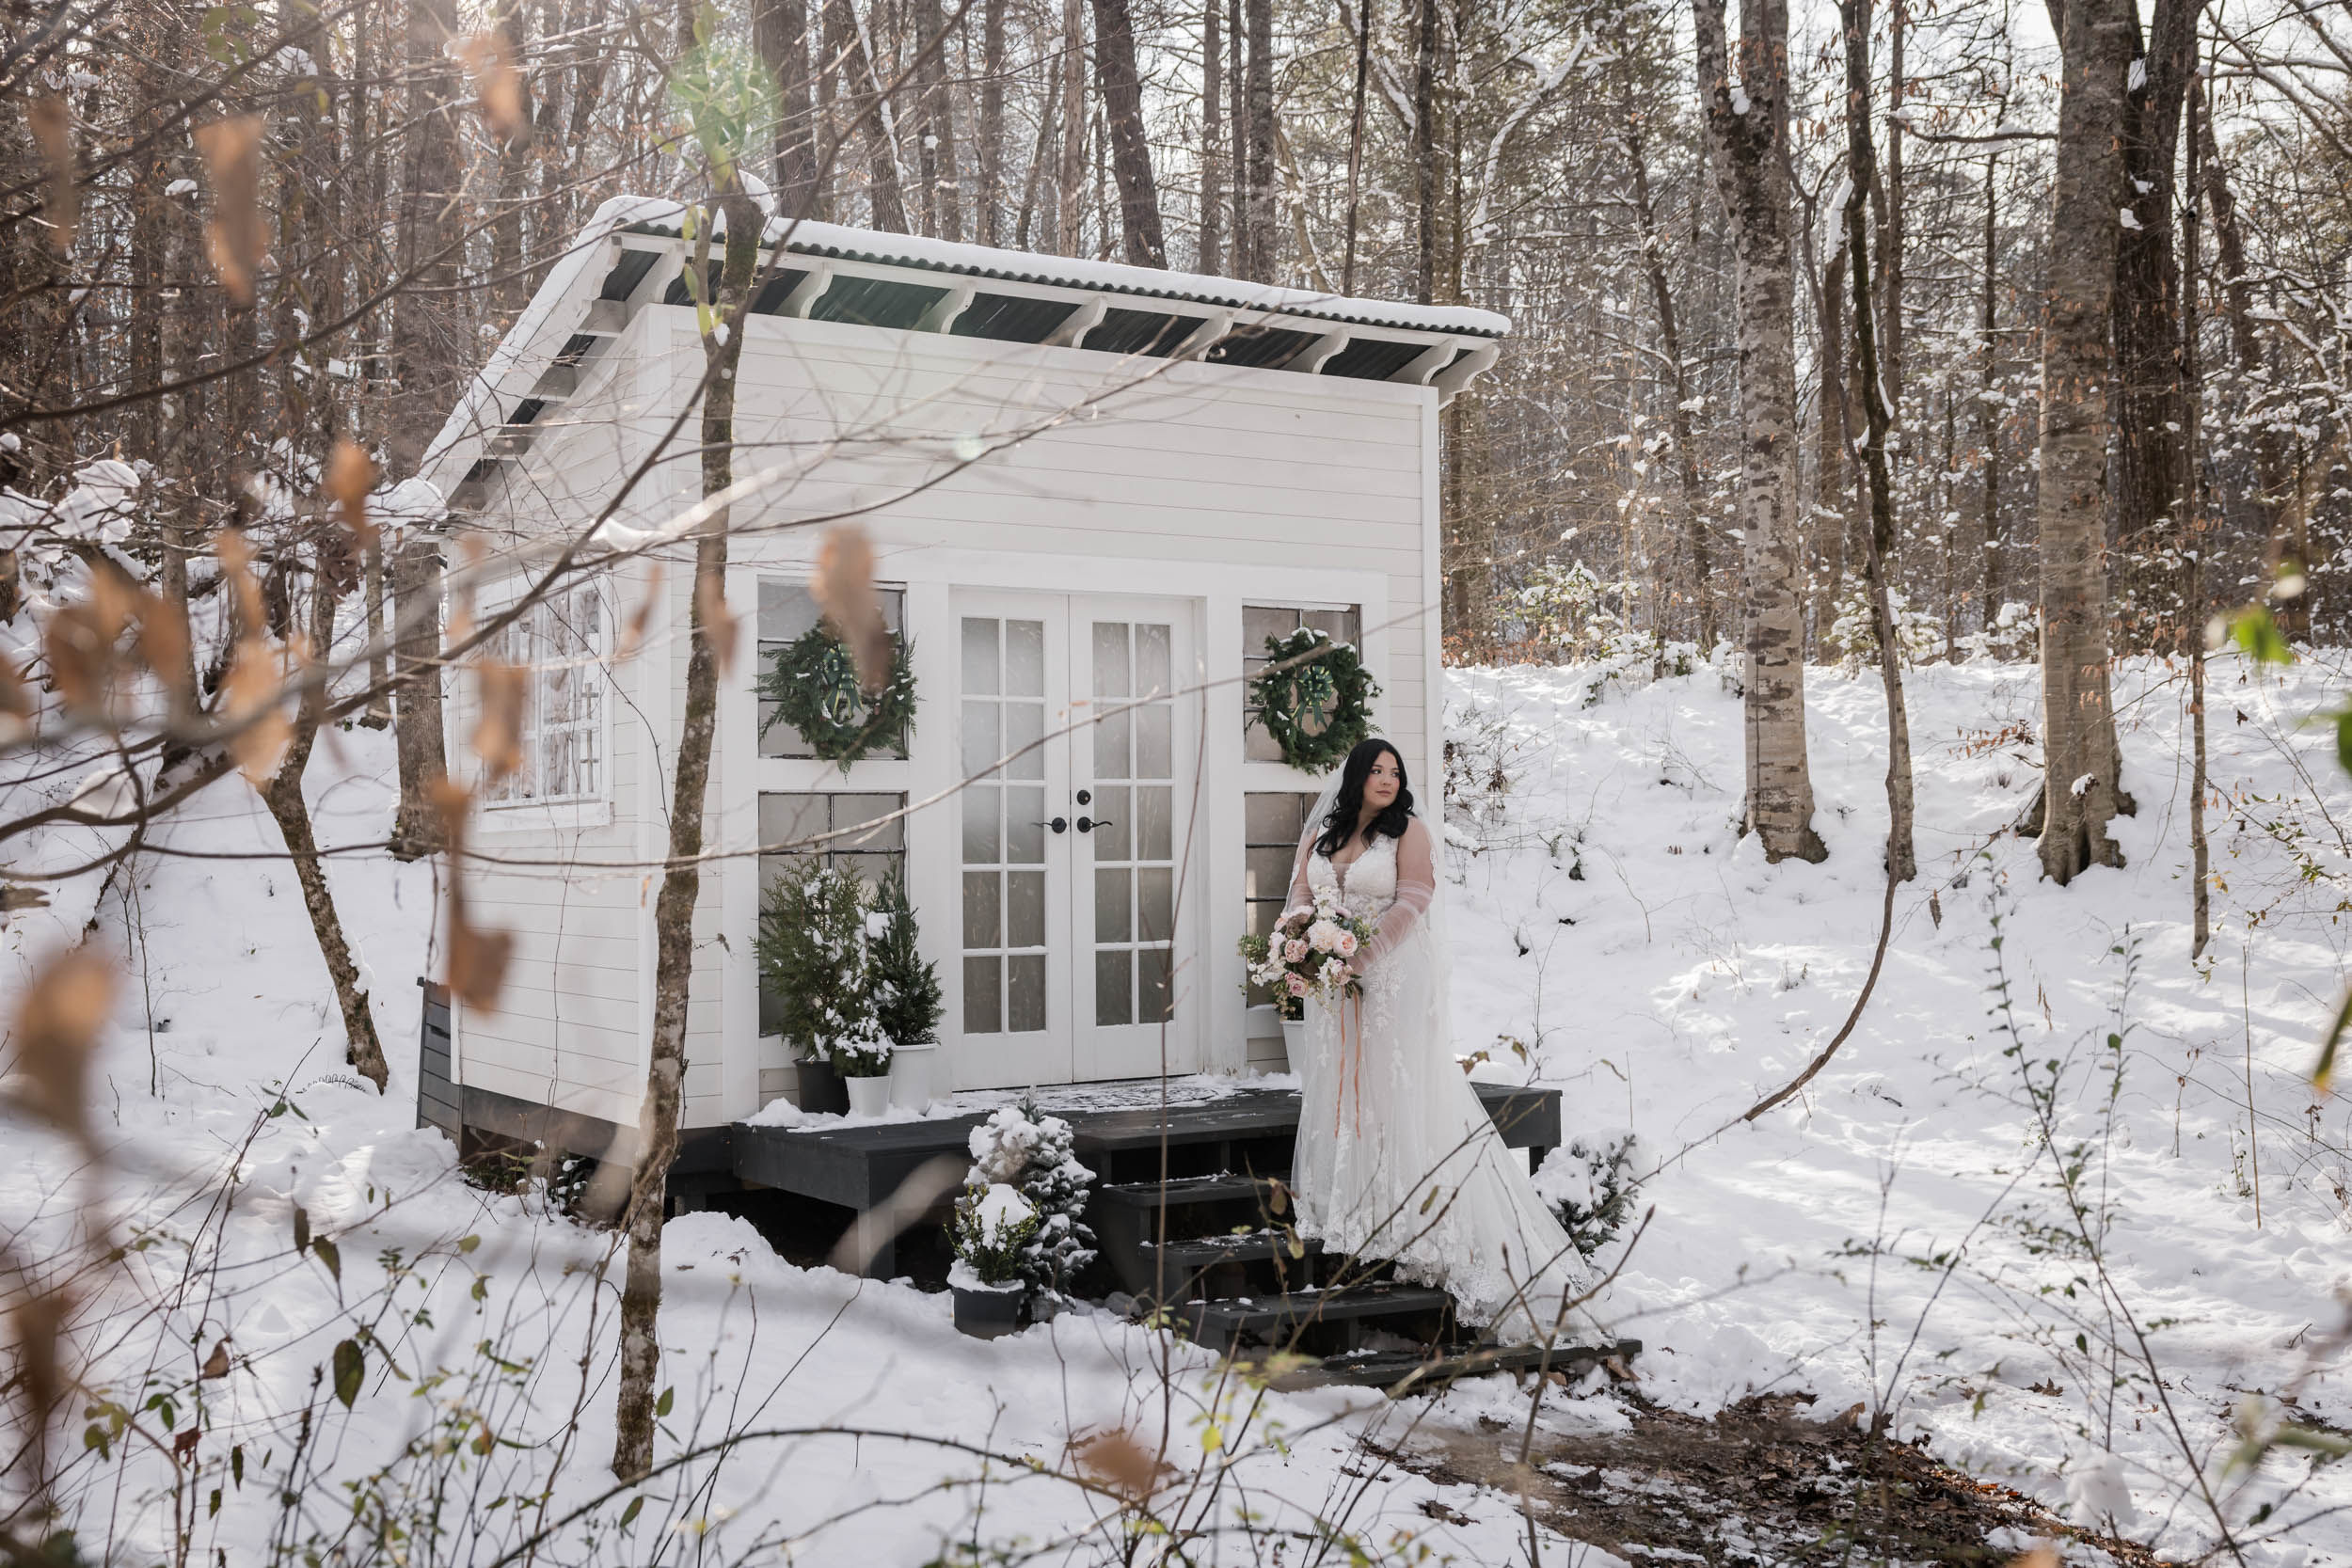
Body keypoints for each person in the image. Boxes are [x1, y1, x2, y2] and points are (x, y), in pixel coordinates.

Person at [1282, 736, 1592, 1340]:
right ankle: (1349, 1205)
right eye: (1375, 770)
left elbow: (1415, 899)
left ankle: (1409, 1218)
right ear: (1354, 776)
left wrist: (1362, 954)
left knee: (1390, 1084)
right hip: (1332, 982)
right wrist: (1297, 939)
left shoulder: (1410, 832)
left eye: (1394, 771)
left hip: (1392, 975)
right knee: (1341, 1082)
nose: (1387, 780)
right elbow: (1300, 893)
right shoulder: (1321, 831)